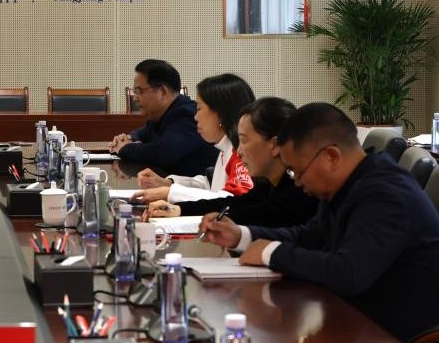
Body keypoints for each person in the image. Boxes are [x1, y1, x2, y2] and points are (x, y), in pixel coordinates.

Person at [200, 102, 439, 343]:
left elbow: (348, 273)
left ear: (331, 157)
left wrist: (271, 252)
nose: (297, 182)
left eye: (297, 171)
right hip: (357, 321)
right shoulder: (348, 183)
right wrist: (241, 236)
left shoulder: (386, 195)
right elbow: (310, 236)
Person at [146, 97, 319, 228]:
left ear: (274, 145)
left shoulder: (299, 190)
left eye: (244, 140)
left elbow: (254, 213)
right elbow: (235, 203)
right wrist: (179, 209)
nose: (240, 150)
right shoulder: (270, 183)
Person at [133, 73, 255, 203]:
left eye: (199, 109)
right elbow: (211, 185)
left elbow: (232, 200)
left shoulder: (240, 153)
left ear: (220, 114)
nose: (195, 117)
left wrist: (171, 193)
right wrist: (168, 183)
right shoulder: (226, 147)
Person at [110, 59, 217, 176]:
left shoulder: (186, 114)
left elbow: (161, 154)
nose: (135, 98)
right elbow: (144, 132)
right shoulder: (163, 113)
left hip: (199, 186)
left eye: (139, 91)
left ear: (162, 92)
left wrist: (124, 148)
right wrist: (129, 138)